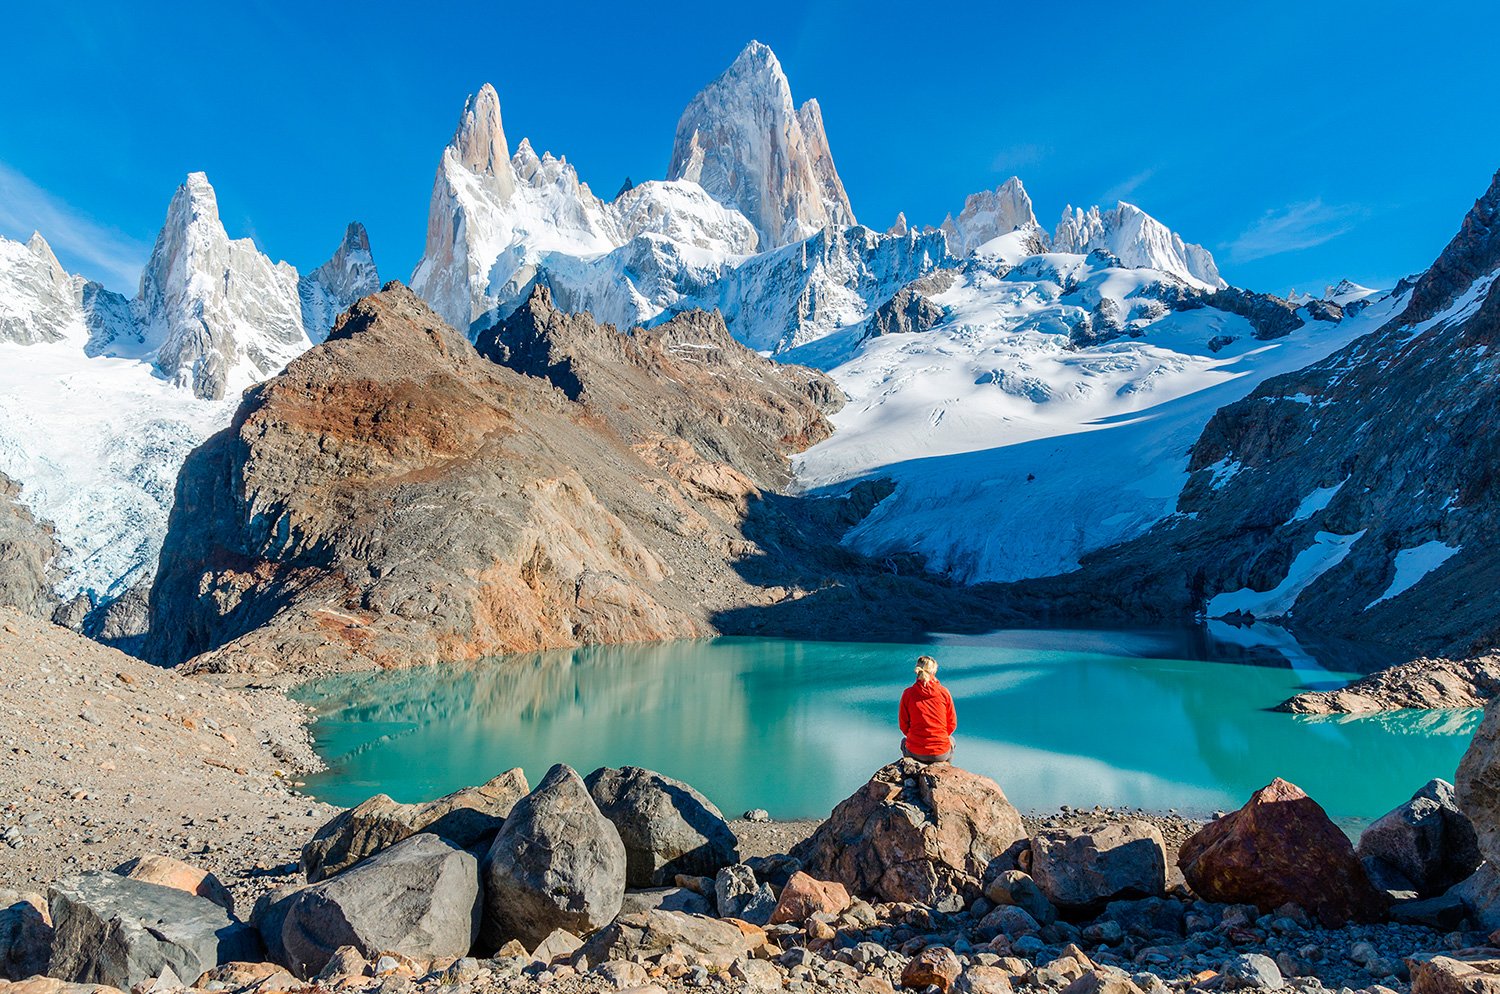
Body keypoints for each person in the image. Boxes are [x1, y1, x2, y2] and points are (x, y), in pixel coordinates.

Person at [899, 655, 956, 764]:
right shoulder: (944, 693)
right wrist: (938, 737)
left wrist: (917, 738)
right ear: (934, 672)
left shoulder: (908, 694)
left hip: (915, 752)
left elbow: (903, 725)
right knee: (952, 740)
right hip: (940, 753)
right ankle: (946, 769)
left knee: (904, 742)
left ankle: (912, 774)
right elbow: (952, 723)